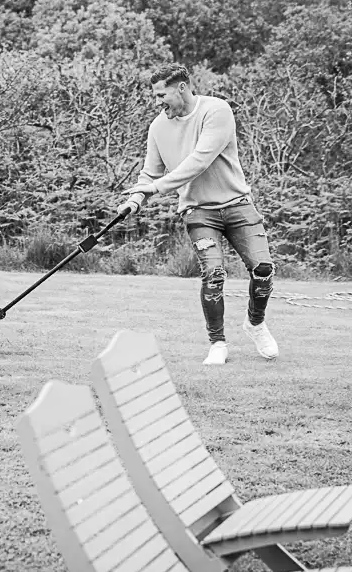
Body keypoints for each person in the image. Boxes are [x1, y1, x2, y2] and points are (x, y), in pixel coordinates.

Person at [118, 63, 278, 365]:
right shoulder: (158, 127)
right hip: (199, 211)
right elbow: (149, 172)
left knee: (263, 269)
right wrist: (136, 198)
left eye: (160, 95)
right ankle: (217, 342)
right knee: (214, 273)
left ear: (182, 87)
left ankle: (255, 323)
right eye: (154, 96)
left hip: (237, 204)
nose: (156, 103)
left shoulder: (216, 111)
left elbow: (200, 160)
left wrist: (155, 189)